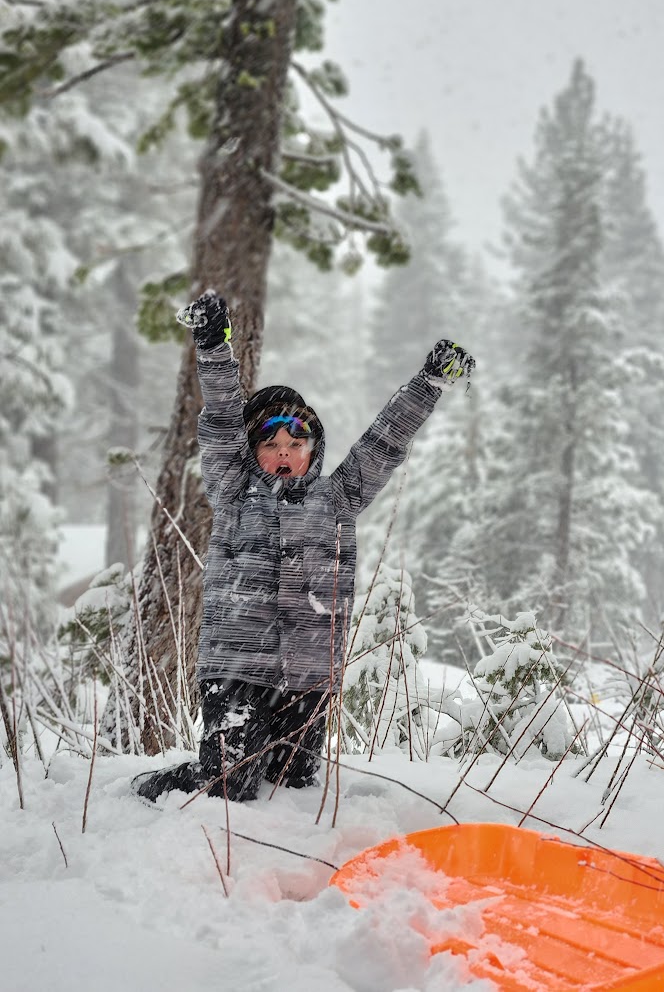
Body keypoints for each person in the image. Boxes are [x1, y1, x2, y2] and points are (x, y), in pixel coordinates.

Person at [132, 291, 475, 802]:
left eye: (296, 444)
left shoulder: (338, 498)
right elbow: (223, 418)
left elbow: (383, 444)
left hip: (309, 672)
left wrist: (427, 385)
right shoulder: (233, 490)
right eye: (270, 446)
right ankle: (161, 785)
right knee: (233, 784)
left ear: (313, 449)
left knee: (290, 785)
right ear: (252, 453)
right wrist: (212, 348)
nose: (284, 453)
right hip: (237, 665)